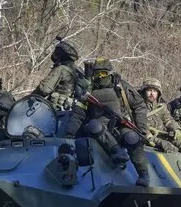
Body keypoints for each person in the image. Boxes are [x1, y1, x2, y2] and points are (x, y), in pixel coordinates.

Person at [63, 57, 150, 187]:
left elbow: (139, 105)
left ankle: (143, 174)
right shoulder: (88, 89)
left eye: (103, 73)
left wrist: (142, 128)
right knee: (94, 125)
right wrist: (69, 134)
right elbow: (78, 113)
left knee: (132, 138)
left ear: (109, 73)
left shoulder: (120, 87)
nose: (100, 77)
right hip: (98, 129)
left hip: (120, 125)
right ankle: (117, 152)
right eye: (97, 74)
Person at [138, 78, 181, 166]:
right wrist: (158, 141)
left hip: (162, 134)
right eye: (149, 91)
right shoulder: (138, 106)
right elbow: (140, 128)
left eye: (155, 91)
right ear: (144, 92)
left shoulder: (160, 106)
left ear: (158, 93)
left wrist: (176, 129)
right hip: (148, 137)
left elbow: (168, 119)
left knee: (178, 139)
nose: (152, 94)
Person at [33, 36, 87, 110]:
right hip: (68, 111)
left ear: (62, 55)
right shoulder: (77, 71)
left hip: (54, 111)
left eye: (57, 53)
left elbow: (44, 89)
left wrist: (29, 98)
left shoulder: (61, 69)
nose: (55, 55)